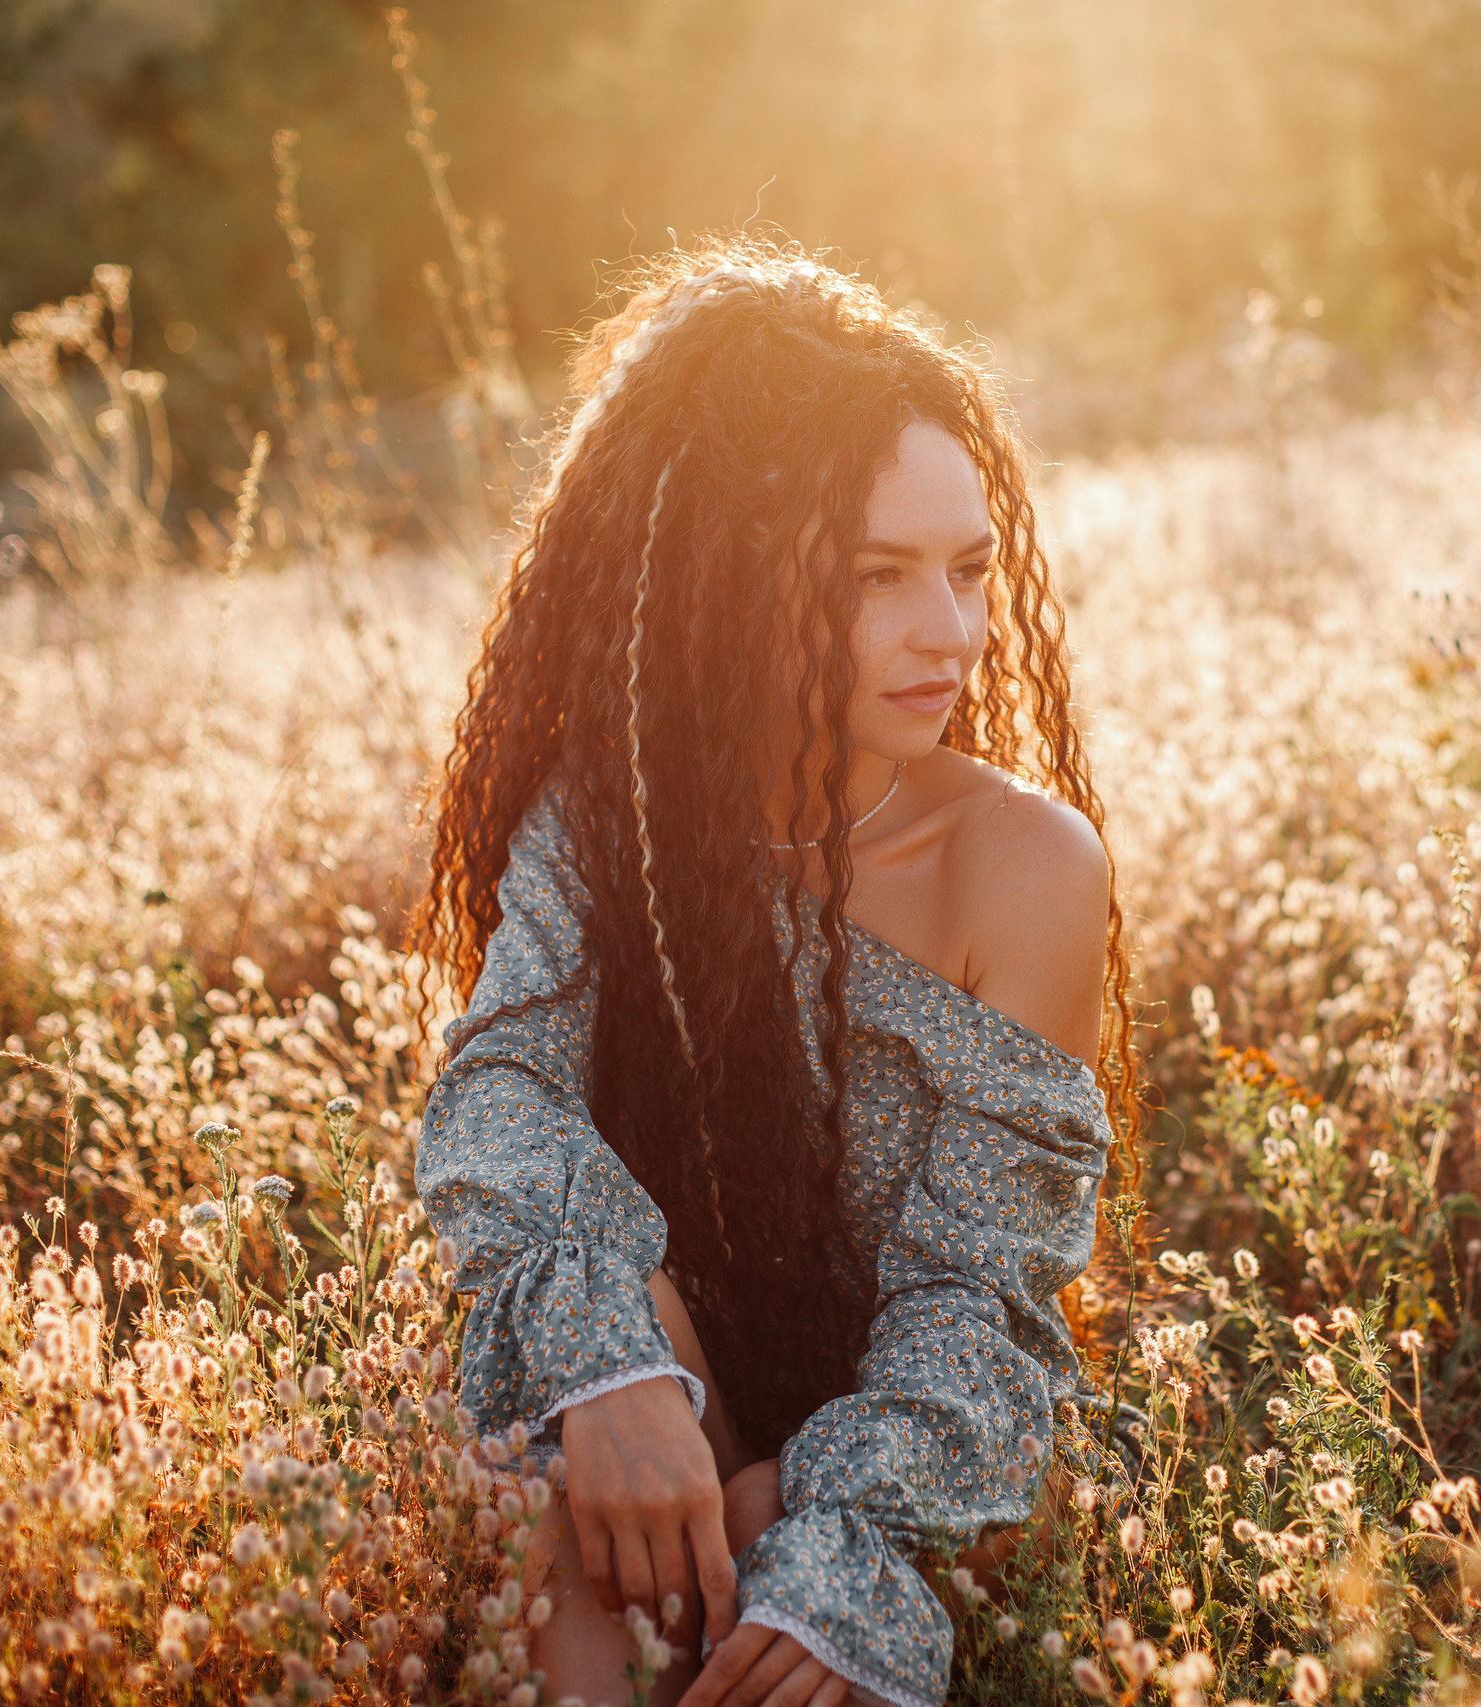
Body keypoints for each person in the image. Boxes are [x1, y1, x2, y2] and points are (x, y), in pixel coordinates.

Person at [412, 238, 1139, 1707]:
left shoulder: (1025, 867)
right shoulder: (612, 826)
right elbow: (500, 1094)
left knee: (747, 1542)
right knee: (595, 1442)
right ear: (736, 584)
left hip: (940, 1443)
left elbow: (984, 1305)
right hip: (685, 1396)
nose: (950, 631)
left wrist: (843, 1553)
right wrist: (616, 1377)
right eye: (878, 577)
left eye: (967, 567)